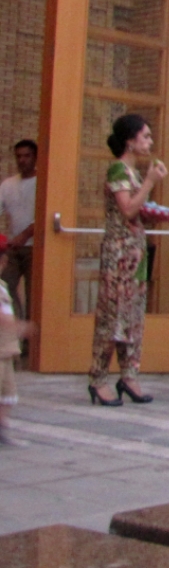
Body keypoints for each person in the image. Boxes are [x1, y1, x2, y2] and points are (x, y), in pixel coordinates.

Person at [88, 114, 166, 407]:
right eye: (145, 136)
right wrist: (150, 181)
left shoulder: (132, 173)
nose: (150, 141)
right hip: (119, 254)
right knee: (113, 315)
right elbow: (128, 209)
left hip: (136, 252)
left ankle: (129, 374)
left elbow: (139, 211)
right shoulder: (118, 170)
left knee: (133, 315)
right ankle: (98, 378)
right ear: (130, 141)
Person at [1, 234, 35, 445]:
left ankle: (2, 426)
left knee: (7, 390)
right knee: (4, 388)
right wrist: (21, 327)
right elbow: (3, 317)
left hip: (5, 351)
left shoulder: (3, 286)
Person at [0, 140, 38, 322]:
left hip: (35, 248)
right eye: (19, 156)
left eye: (27, 156)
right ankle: (15, 332)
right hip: (13, 248)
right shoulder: (8, 185)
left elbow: (45, 215)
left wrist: (24, 235)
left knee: (34, 296)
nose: (22, 160)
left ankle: (29, 348)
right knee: (4, 286)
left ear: (35, 157)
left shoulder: (43, 184)